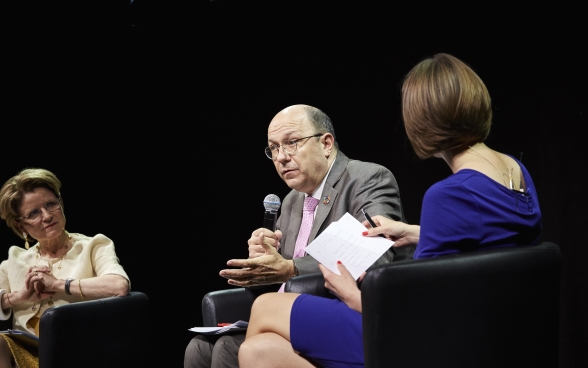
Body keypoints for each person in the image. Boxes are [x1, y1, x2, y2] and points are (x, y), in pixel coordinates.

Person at [237, 53, 543, 368]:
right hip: (490, 331)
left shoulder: (448, 194)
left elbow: (417, 310)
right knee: (257, 352)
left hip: (426, 340)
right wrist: (416, 232)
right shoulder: (515, 171)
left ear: (420, 121)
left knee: (265, 308)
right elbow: (493, 244)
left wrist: (349, 293)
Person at [184, 104, 410, 368]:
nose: (281, 157)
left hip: (348, 314)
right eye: (274, 148)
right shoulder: (291, 201)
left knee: (227, 347)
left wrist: (290, 269)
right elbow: (281, 282)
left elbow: (374, 253)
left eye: (291, 143)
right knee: (199, 348)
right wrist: (261, 265)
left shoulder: (368, 178)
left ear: (326, 143)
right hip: (288, 316)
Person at [0, 168, 130, 368]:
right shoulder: (14, 260)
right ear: (20, 226)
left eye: (51, 204)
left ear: (60, 203)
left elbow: (119, 285)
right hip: (26, 353)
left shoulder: (93, 246)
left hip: (79, 351)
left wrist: (59, 284)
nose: (47, 216)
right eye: (34, 213)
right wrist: (20, 297)